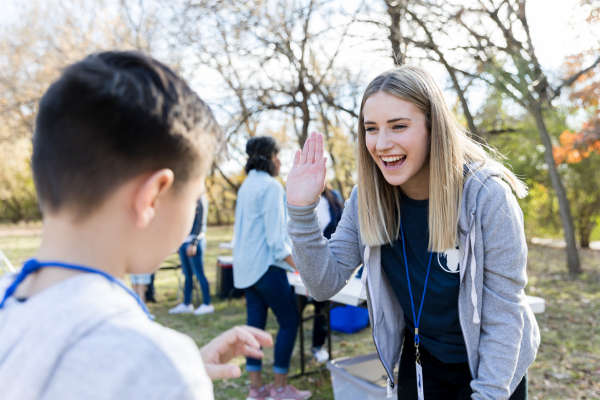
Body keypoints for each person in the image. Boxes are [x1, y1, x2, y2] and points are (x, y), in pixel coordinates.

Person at [0, 51, 273, 400]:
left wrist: (178, 370)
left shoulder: (12, 304)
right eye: (194, 198)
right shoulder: (153, 364)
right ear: (151, 197)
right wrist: (171, 376)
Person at [285, 66, 540, 400]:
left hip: (493, 363)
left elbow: (505, 314)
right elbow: (323, 284)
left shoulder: (486, 197)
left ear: (433, 127)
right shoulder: (368, 197)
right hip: (422, 357)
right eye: (371, 129)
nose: (382, 143)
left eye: (399, 126)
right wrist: (301, 211)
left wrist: (489, 394)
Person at [233, 136, 312, 400]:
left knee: (254, 328)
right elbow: (277, 242)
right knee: (289, 321)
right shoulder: (271, 187)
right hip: (267, 268)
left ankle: (256, 389)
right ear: (270, 157)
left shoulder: (246, 187)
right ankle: (279, 389)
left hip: (246, 271)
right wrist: (303, 268)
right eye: (279, 155)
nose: (281, 161)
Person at [301, 185, 344, 363]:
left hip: (329, 263)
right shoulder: (299, 197)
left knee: (322, 309)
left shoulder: (334, 197)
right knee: (294, 313)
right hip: (303, 263)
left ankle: (318, 347)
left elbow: (342, 228)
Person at [169, 194, 214, 315]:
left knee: (199, 274)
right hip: (184, 242)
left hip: (195, 242)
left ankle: (207, 304)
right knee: (187, 275)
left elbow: (201, 222)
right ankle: (186, 304)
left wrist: (194, 242)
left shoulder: (201, 199)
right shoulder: (188, 197)